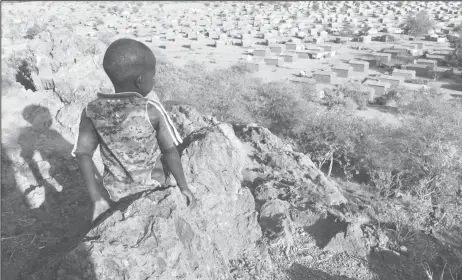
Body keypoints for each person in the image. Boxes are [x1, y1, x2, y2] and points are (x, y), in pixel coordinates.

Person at [72, 38, 197, 221]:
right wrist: (184, 186)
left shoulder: (92, 110)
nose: (153, 81)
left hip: (116, 195)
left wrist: (96, 198)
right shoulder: (151, 110)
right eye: (152, 77)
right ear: (140, 80)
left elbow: (83, 154)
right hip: (154, 190)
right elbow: (171, 151)